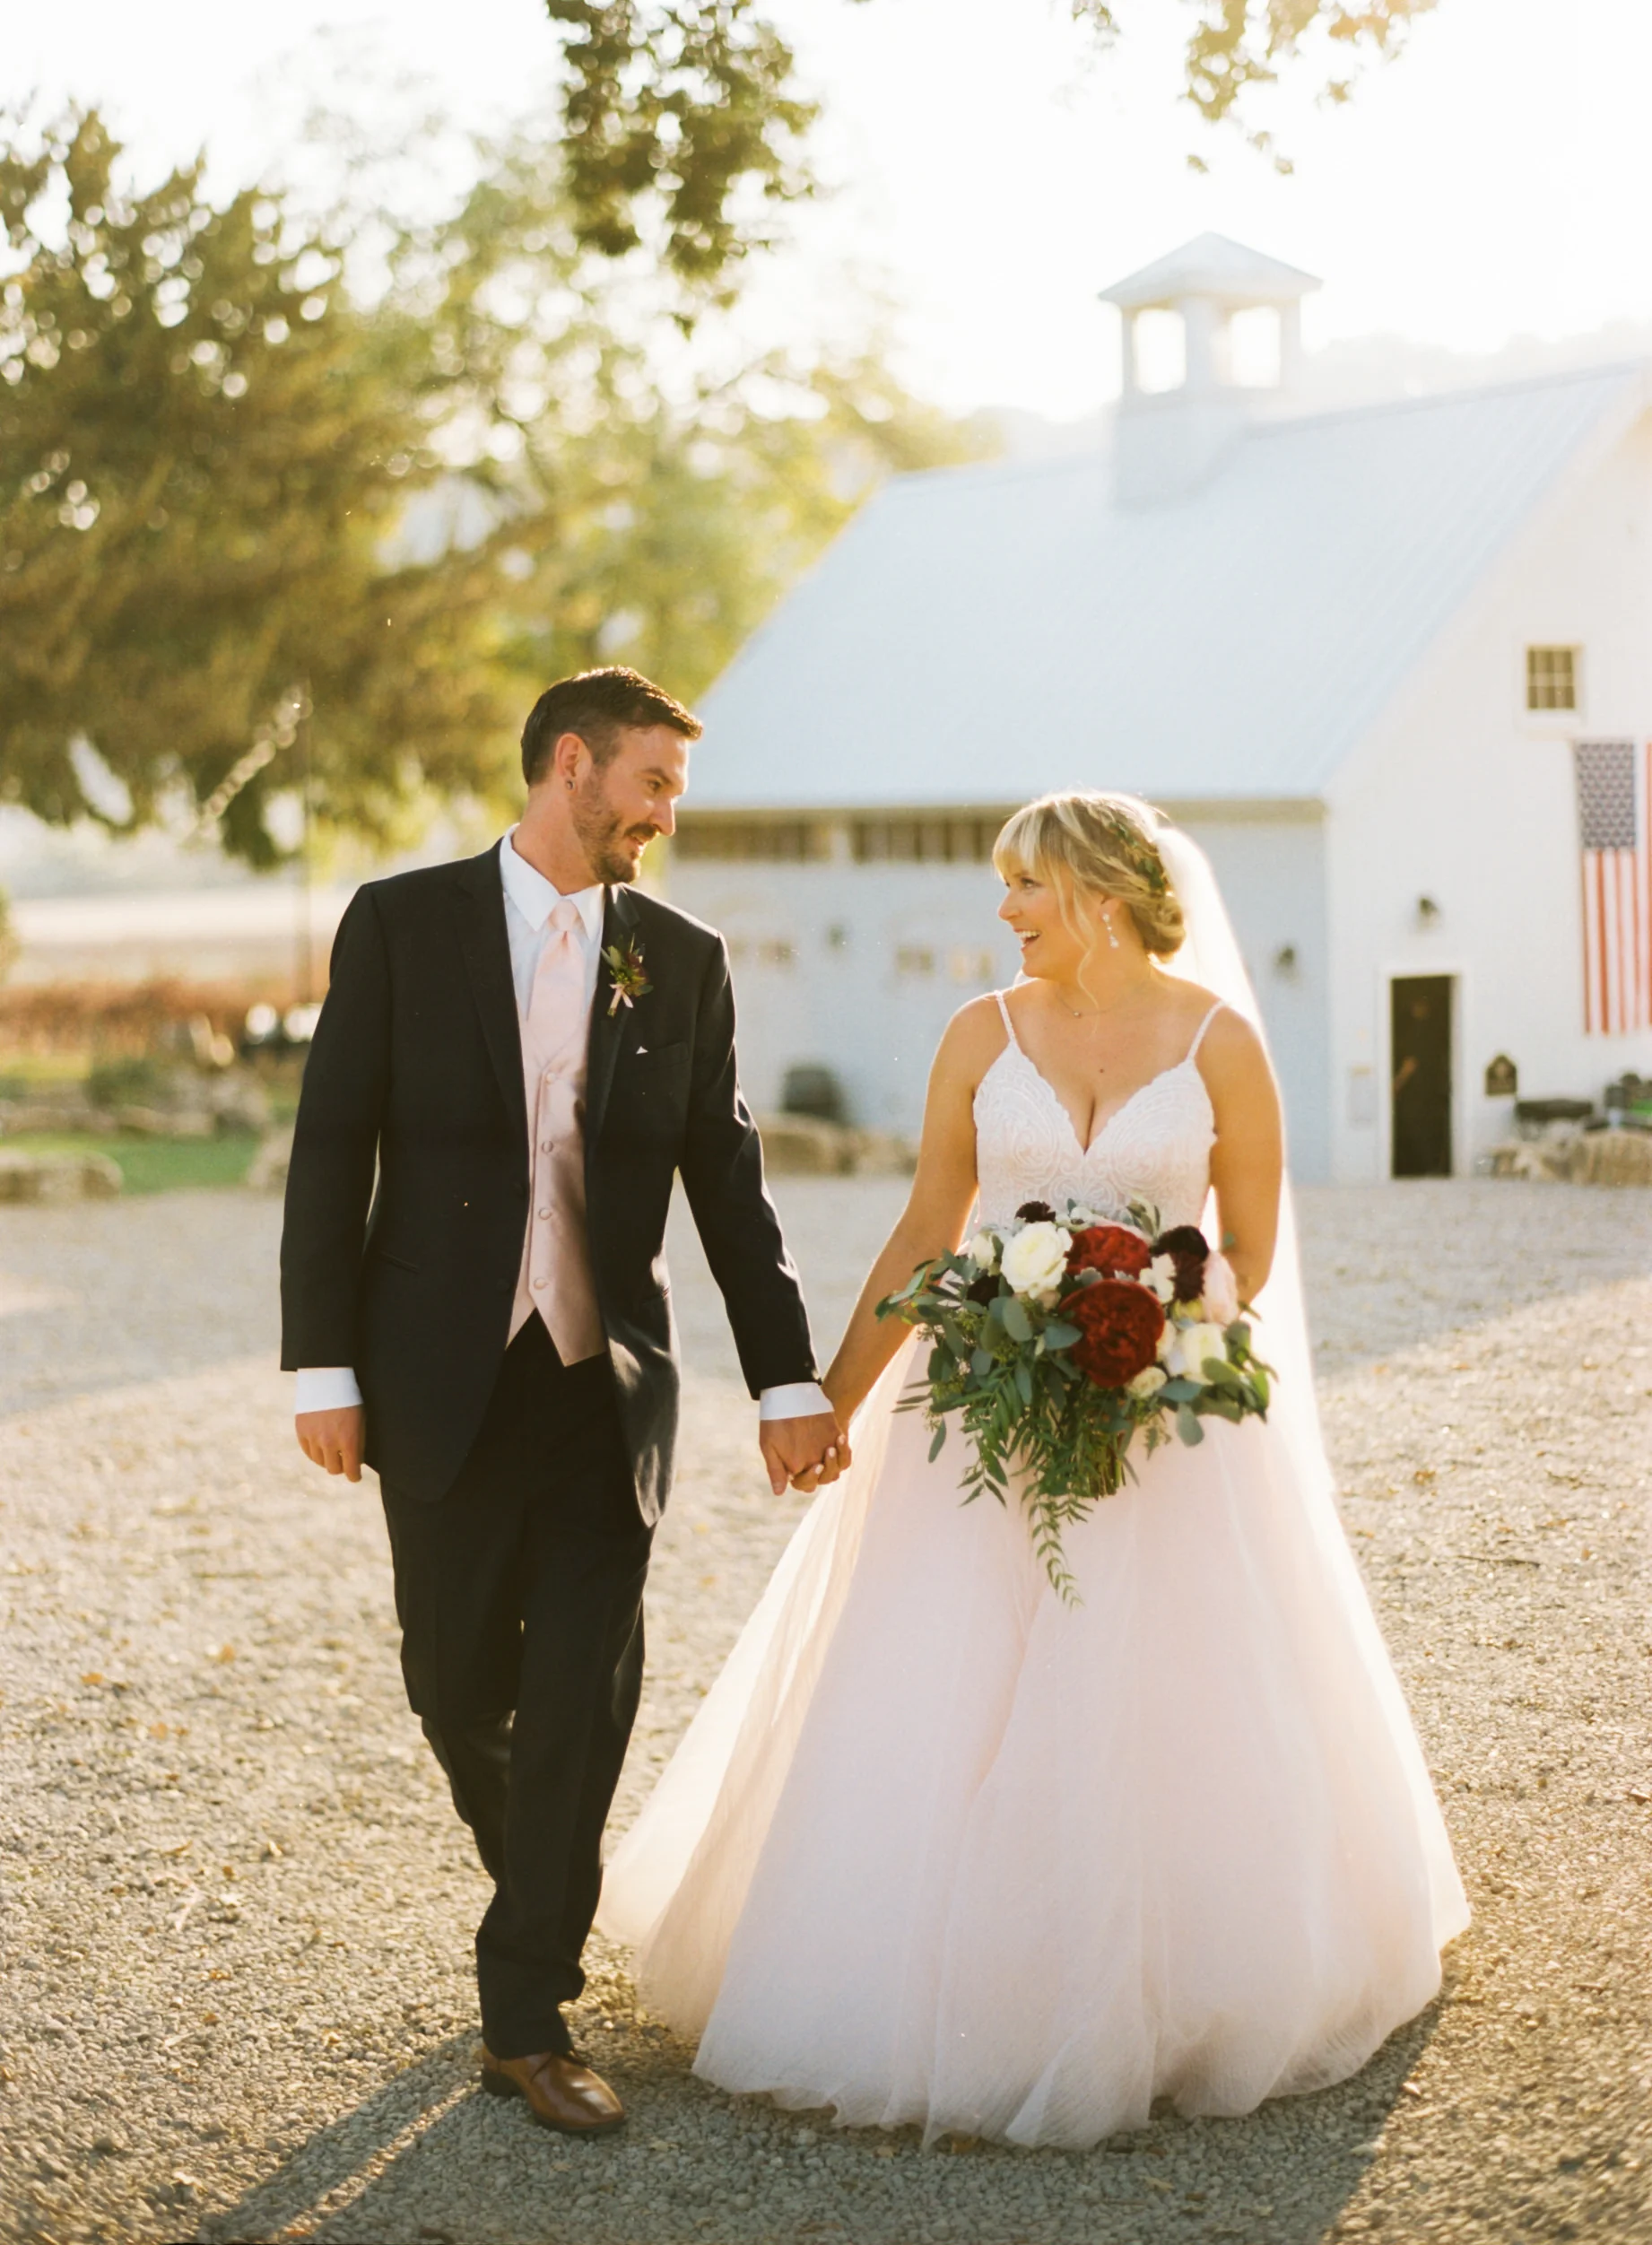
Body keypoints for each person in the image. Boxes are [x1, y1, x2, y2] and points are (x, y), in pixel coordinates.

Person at [599, 790, 1468, 2150]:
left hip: (1160, 1423)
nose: (1001, 910)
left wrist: (1147, 1327)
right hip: (974, 1412)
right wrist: (826, 1401)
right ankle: (943, 1986)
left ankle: (1173, 1982)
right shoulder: (975, 1034)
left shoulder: (1221, 1043)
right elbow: (920, 1234)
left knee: (1156, 1688)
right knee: (946, 1685)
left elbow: (1248, 1250)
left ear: (1099, 895)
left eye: (1023, 887)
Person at [279, 666, 848, 2136]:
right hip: (437, 1381)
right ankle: (539, 1883)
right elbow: (333, 1147)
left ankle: (523, 2008)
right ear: (571, 764)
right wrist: (320, 1364)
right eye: (651, 786)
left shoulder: (679, 954)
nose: (664, 817)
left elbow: (730, 1184)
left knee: (585, 1698)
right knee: (455, 1683)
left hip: (608, 1391)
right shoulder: (402, 925)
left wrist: (787, 1375)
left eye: (673, 794)